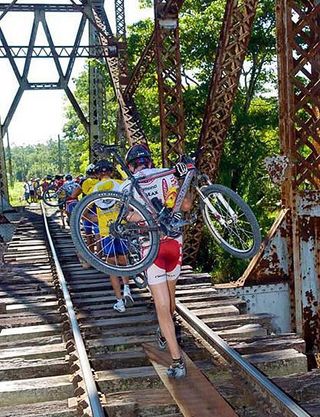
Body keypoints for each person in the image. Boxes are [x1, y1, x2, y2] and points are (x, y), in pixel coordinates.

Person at [122, 144, 190, 379]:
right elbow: (186, 205)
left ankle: (177, 361)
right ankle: (164, 334)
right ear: (149, 162)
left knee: (162, 306)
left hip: (150, 248)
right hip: (175, 245)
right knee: (170, 301)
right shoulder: (167, 175)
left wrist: (141, 215)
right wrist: (181, 183)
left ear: (131, 166)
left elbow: (127, 217)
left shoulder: (129, 185)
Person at [93, 160, 134, 313]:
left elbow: (85, 209)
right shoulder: (120, 184)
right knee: (124, 260)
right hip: (121, 227)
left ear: (97, 174)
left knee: (111, 266)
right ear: (111, 171)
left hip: (106, 231)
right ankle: (128, 289)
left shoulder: (93, 189)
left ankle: (119, 302)